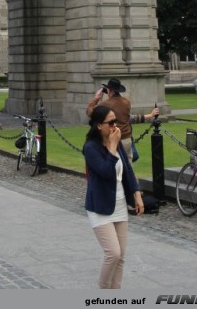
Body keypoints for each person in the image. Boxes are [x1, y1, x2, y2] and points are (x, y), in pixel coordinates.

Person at [83, 104, 144, 289]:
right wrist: (111, 146)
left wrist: (137, 194)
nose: (115, 126)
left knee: (121, 256)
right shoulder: (91, 148)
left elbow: (128, 171)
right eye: (110, 123)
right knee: (113, 253)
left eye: (115, 121)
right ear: (99, 126)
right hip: (100, 206)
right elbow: (105, 171)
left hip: (119, 204)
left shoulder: (116, 143)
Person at [86, 79, 159, 161]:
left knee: (115, 168)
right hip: (127, 139)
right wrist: (150, 115)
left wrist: (96, 98)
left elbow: (89, 112)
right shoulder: (126, 102)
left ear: (110, 90)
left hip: (114, 140)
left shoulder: (105, 104)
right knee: (128, 168)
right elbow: (129, 118)